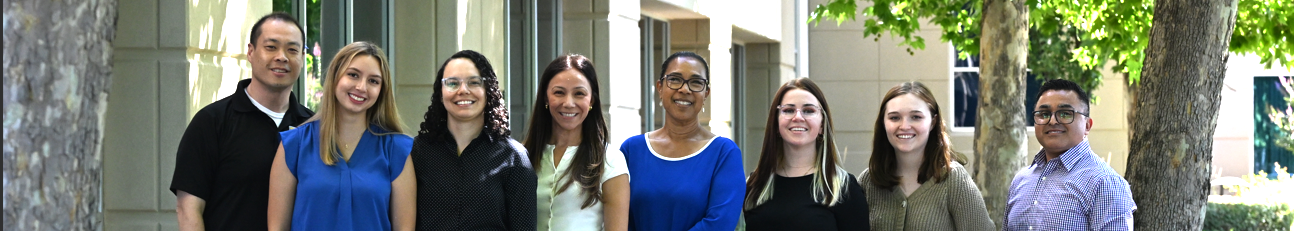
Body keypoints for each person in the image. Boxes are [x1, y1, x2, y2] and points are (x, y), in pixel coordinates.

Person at [170, 12, 313, 231]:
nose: (282, 57)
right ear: (251, 52)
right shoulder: (212, 122)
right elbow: (188, 210)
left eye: (292, 50)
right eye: (271, 47)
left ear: (302, 58)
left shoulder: (311, 127)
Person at [267, 41, 415, 231]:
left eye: (373, 81)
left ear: (381, 90)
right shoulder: (294, 146)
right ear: (335, 77)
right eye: (353, 75)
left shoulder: (397, 150)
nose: (362, 87)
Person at [410, 50, 536, 231]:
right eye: (452, 83)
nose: (463, 90)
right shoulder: (417, 153)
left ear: (488, 91)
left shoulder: (513, 158)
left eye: (474, 82)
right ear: (440, 93)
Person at [619, 51, 744, 231]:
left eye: (695, 82)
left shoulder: (724, 153)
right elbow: (619, 218)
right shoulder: (632, 150)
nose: (684, 89)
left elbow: (720, 223)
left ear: (706, 94)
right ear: (660, 88)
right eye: (675, 79)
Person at [859, 81, 994, 231]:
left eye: (916, 117)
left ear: (932, 122)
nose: (904, 126)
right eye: (894, 118)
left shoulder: (954, 180)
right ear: (883, 123)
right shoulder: (868, 182)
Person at [1004, 79, 1135, 230]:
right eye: (1044, 114)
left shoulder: (1104, 183)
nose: (1052, 121)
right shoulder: (1021, 180)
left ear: (1087, 125)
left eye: (1065, 114)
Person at [743, 78, 870, 231]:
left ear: (822, 125)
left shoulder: (844, 188)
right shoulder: (755, 185)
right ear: (776, 123)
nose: (797, 117)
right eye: (788, 110)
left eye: (808, 111)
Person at [523, 54, 630, 231]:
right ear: (545, 98)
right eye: (559, 93)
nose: (568, 103)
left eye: (579, 94)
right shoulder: (523, 155)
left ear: (592, 100)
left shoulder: (611, 160)